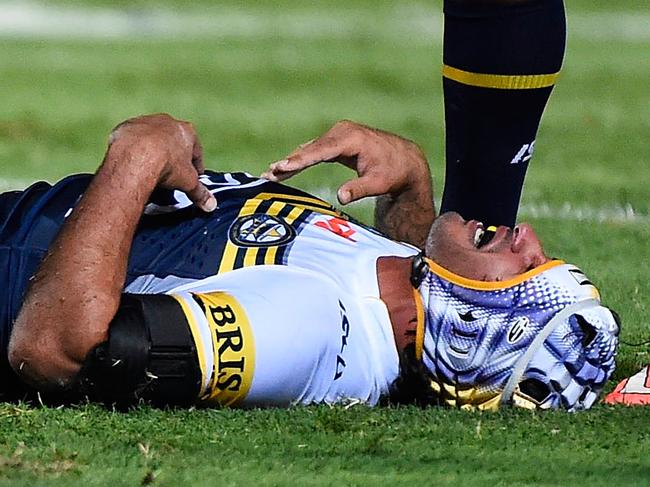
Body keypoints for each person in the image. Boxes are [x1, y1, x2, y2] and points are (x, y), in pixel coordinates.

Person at [4, 114, 619, 411]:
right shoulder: (406, 288)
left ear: (475, 327)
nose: (530, 237)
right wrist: (410, 186)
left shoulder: (308, 327)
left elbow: (60, 350)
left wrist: (136, 158)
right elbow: (404, 302)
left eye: (529, 270)